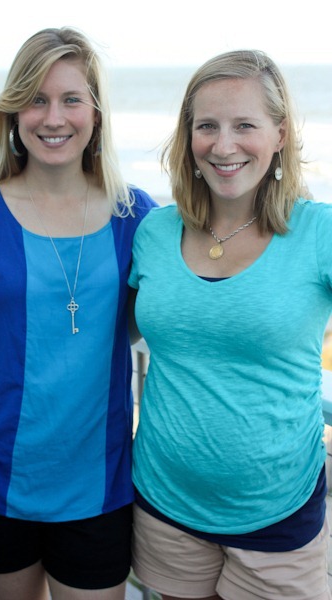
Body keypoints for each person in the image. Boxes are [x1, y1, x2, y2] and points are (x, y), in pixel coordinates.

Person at [0, 26, 155, 600]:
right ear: (13, 113)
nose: (53, 118)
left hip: (100, 483)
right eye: (36, 99)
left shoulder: (135, 216)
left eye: (71, 99)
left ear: (96, 114)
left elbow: (160, 318)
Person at [128, 49, 332, 600]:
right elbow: (112, 331)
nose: (223, 146)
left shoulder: (319, 233)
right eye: (207, 126)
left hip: (278, 511)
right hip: (165, 504)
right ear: (188, 136)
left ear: (280, 134)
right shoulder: (153, 232)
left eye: (245, 125)